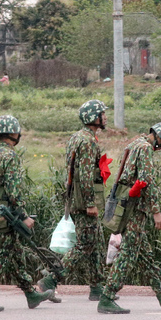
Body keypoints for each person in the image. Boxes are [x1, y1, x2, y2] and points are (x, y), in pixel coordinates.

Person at [97, 122, 161, 314]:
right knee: (128, 254)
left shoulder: (135, 143)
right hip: (135, 209)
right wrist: (156, 211)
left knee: (145, 254)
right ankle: (107, 297)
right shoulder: (145, 149)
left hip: (126, 204)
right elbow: (146, 181)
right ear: (159, 137)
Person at [0, 115, 54, 312]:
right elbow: (14, 192)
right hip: (7, 215)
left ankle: (30, 293)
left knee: (15, 254)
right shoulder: (10, 156)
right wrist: (24, 216)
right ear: (11, 133)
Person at [37, 100, 109, 302]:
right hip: (83, 202)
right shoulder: (87, 141)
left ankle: (97, 288)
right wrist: (90, 203)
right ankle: (51, 280)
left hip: (77, 199)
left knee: (95, 243)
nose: (105, 117)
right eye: (102, 114)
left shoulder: (78, 137)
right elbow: (85, 175)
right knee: (85, 245)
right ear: (93, 118)